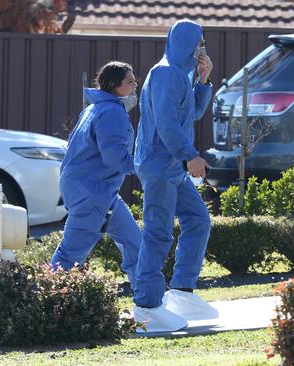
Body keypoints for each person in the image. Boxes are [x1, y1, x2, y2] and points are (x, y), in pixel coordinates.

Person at [133, 19, 217, 332]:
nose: (202, 50)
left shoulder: (179, 74)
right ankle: (146, 305)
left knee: (197, 220)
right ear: (188, 44)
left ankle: (181, 291)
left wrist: (203, 82)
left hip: (171, 167)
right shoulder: (165, 74)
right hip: (160, 165)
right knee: (158, 233)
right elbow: (167, 126)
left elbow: (191, 113)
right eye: (199, 44)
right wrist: (191, 156)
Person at [51, 61, 141, 290]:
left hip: (97, 191)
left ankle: (149, 296)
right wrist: (143, 166)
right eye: (129, 81)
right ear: (114, 85)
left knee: (135, 243)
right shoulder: (112, 112)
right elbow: (114, 157)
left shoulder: (94, 108)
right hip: (93, 193)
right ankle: (48, 303)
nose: (135, 85)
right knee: (70, 257)